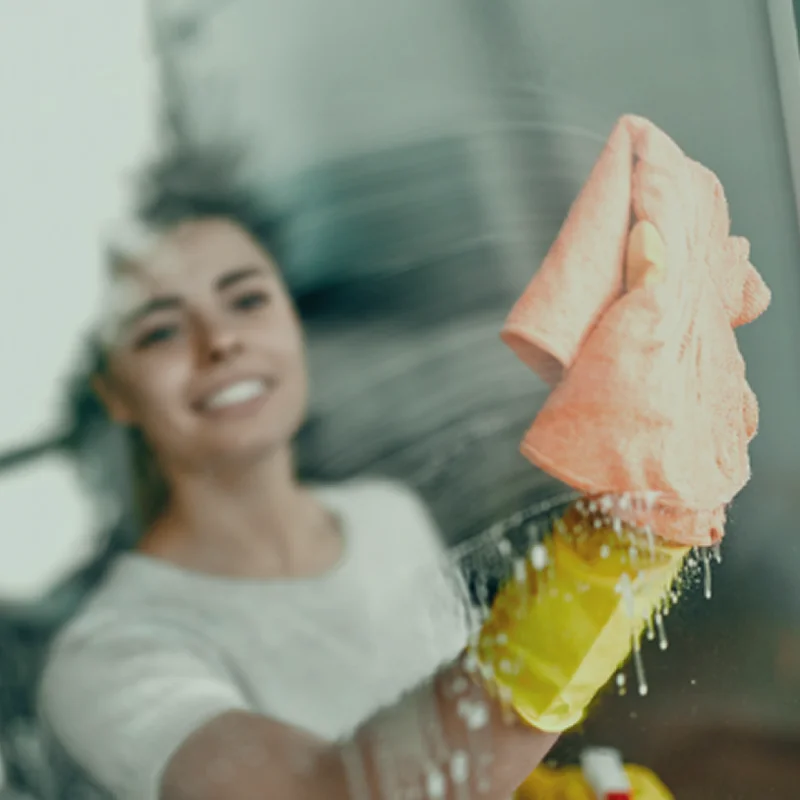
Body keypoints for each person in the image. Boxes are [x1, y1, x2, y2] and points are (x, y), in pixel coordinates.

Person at [37, 157, 559, 800]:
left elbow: (464, 753)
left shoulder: (386, 517)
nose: (221, 341)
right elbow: (325, 792)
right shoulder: (109, 656)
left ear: (292, 320)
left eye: (247, 299)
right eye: (162, 330)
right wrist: (603, 576)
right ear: (113, 391)